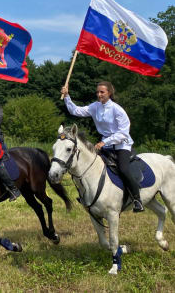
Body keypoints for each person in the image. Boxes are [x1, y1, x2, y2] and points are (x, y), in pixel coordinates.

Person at [61, 81, 144, 212]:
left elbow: (123, 133)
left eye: (102, 92)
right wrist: (67, 96)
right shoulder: (95, 106)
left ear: (109, 93)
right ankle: (86, 196)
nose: (99, 94)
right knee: (89, 165)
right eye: (97, 92)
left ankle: (137, 199)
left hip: (122, 144)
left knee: (123, 169)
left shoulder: (118, 110)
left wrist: (105, 142)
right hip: (105, 144)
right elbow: (75, 110)